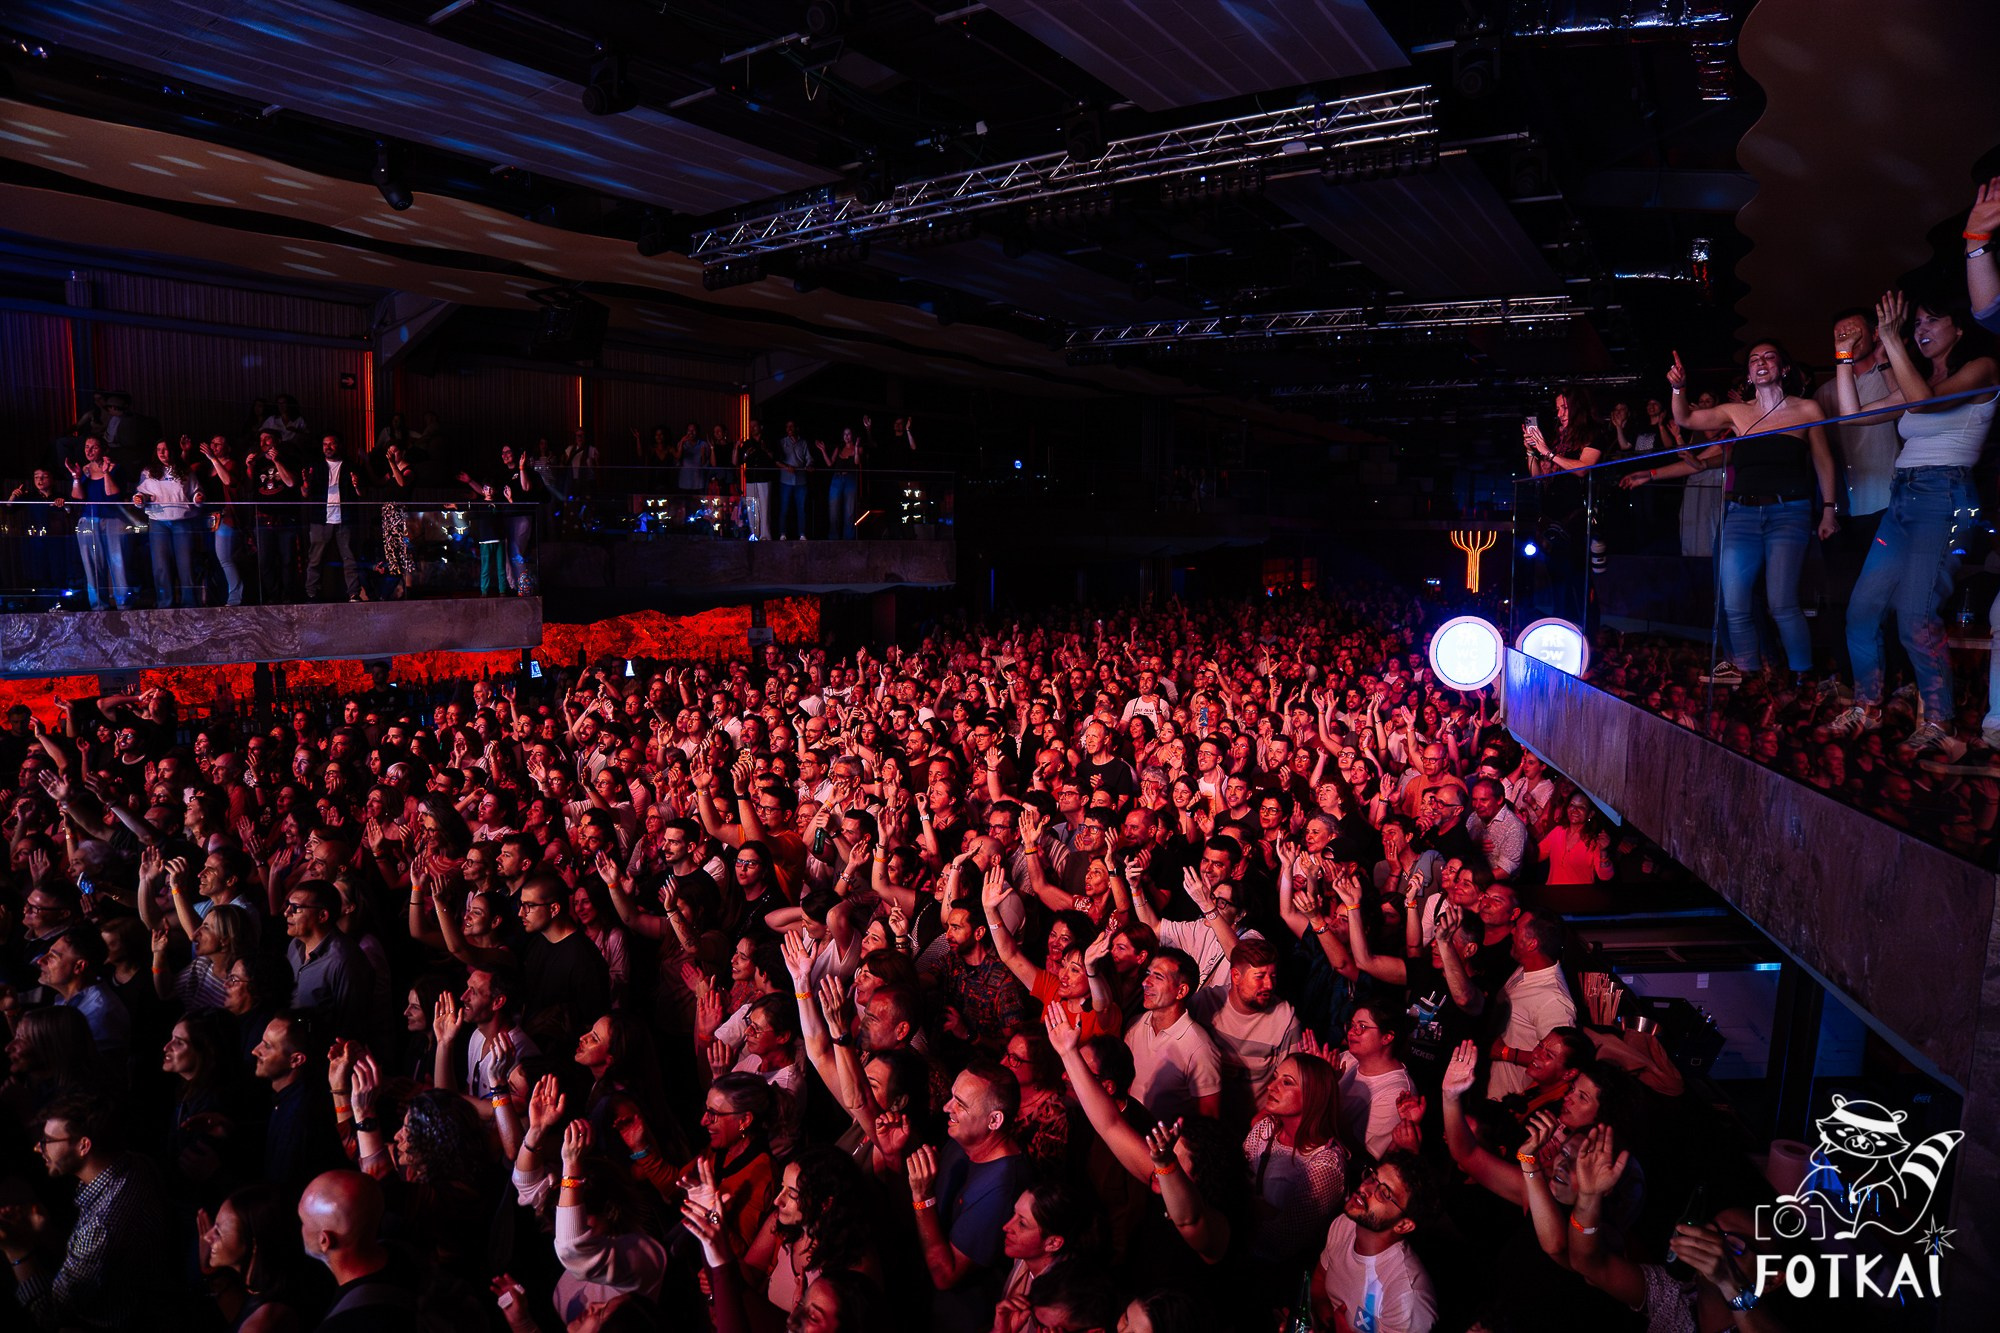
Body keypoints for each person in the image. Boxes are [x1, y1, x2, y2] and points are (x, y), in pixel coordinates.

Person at [1830, 290, 1999, 758]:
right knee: (1862, 610)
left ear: (1959, 329)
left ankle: (1940, 721)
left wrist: (1890, 339)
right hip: (1901, 499)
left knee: (1916, 616)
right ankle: (1869, 707)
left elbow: (1924, 404)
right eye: (1916, 323)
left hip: (1945, 499)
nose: (1920, 329)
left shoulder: (1981, 368)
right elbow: (1851, 417)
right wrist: (1845, 356)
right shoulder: (1916, 379)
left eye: (1931, 321)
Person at [1622, 343, 1836, 686]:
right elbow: (1685, 418)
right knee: (1735, 604)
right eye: (1754, 359)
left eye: (1768, 357)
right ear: (1750, 375)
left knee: (1781, 603)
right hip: (1742, 514)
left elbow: (1824, 459)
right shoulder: (1738, 412)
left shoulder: (1808, 409)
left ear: (1782, 368)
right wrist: (1678, 387)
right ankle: (1748, 676)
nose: (1760, 362)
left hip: (1789, 511)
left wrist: (1828, 509)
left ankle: (1802, 678)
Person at [1, 1092, 176, 1331]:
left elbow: (51, 1318)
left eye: (47, 1140)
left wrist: (18, 1252)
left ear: (84, 1145)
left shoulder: (99, 1229)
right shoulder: (135, 1163)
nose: (37, 1147)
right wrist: (45, 1235)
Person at [1309, 1150, 1438, 1333]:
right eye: (1372, 1177)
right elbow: (1319, 1281)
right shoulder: (1346, 1224)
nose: (1365, 1188)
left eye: (1384, 1193)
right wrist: (1325, 1321)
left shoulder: (1407, 1296)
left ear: (1403, 1225)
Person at [299, 433, 368, 604]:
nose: (328, 447)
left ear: (339, 446)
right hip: (320, 519)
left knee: (349, 558)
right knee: (315, 559)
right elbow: (305, 493)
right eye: (325, 444)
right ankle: (311, 593)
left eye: (332, 444)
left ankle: (353, 594)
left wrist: (357, 485)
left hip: (345, 519)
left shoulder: (351, 466)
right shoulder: (315, 467)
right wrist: (306, 484)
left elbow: (361, 494)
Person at [134, 437, 202, 607]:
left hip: (182, 520)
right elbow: (141, 493)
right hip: (158, 521)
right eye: (159, 450)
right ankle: (165, 604)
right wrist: (139, 498)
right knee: (161, 565)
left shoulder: (184, 470)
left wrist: (198, 497)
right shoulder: (148, 472)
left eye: (166, 449)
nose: (163, 453)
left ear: (172, 450)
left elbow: (195, 491)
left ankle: (190, 605)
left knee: (185, 564)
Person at [67, 436, 132, 610]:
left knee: (118, 562)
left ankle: (123, 604)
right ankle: (98, 606)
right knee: (92, 564)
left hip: (113, 521)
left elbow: (113, 495)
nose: (89, 451)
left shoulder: (116, 468)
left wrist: (106, 473)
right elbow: (78, 498)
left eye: (94, 447)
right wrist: (76, 477)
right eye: (86, 447)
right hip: (88, 520)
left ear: (103, 449)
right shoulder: (83, 470)